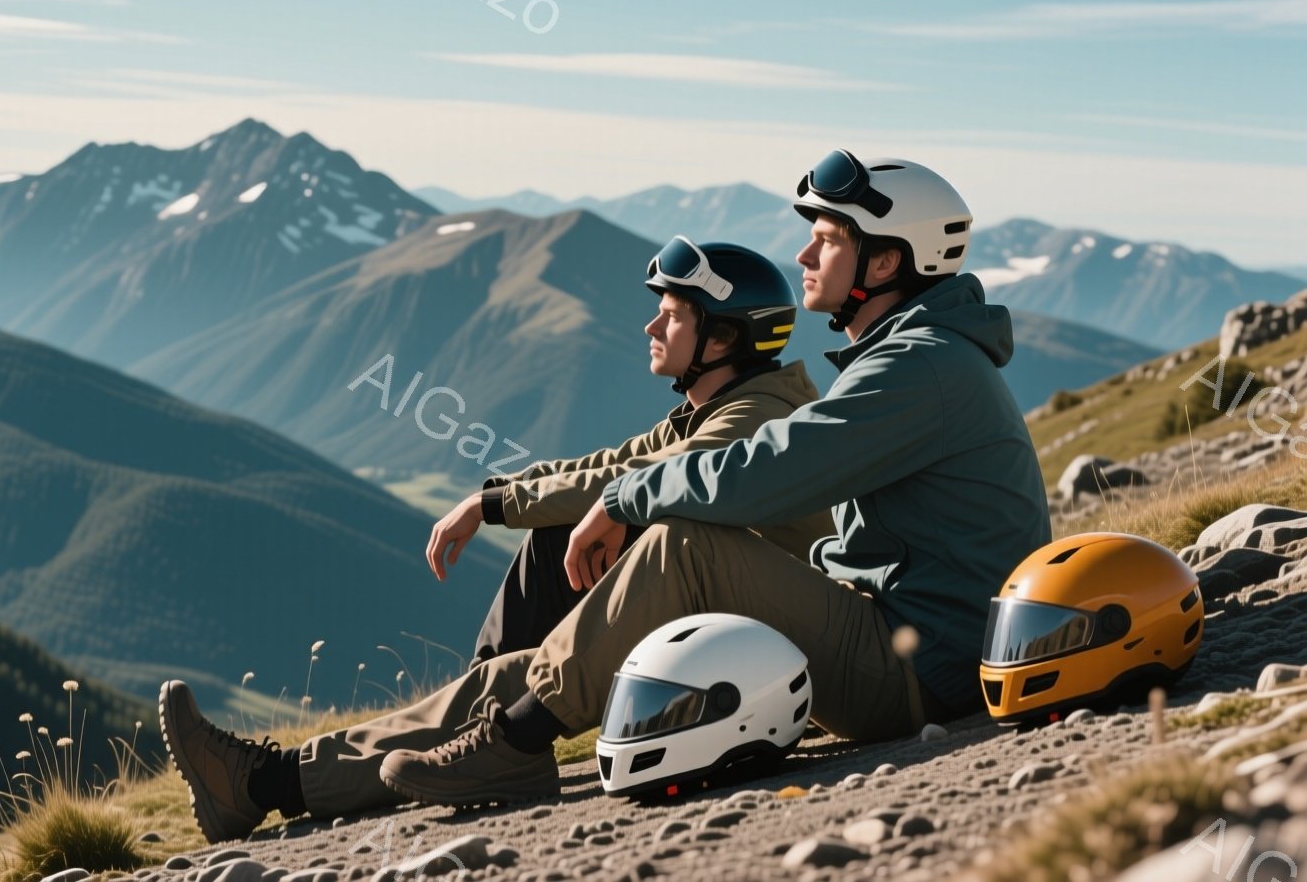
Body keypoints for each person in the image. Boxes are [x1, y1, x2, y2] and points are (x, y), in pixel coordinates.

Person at [159, 151, 1053, 841]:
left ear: (887, 258)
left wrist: (628, 505)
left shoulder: (922, 368)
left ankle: (512, 749)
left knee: (682, 543)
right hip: (877, 630)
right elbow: (640, 460)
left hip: (920, 671)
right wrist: (521, 498)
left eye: (828, 236)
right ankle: (270, 784)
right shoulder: (909, 359)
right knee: (519, 676)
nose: (804, 250)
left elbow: (772, 465)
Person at [428, 237, 833, 666]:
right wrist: (499, 491)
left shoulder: (755, 420)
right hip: (745, 620)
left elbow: (631, 479)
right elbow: (608, 464)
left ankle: (483, 703)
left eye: (672, 315)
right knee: (571, 532)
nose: (652, 327)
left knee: (557, 539)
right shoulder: (716, 411)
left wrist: (494, 507)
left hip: (789, 641)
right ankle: (487, 696)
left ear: (723, 337)